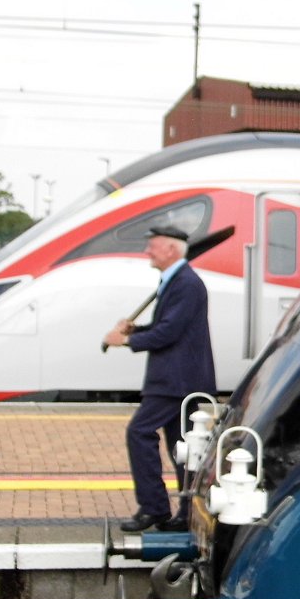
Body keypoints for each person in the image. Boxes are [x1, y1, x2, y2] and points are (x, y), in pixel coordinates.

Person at [103, 225, 216, 531]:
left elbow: (169, 332)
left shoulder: (186, 284)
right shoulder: (179, 281)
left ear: (171, 250)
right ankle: (185, 512)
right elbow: (167, 325)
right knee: (183, 446)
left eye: (152, 246)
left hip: (174, 381)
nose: (147, 251)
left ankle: (154, 508)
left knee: (139, 433)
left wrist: (126, 341)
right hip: (180, 380)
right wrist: (135, 331)